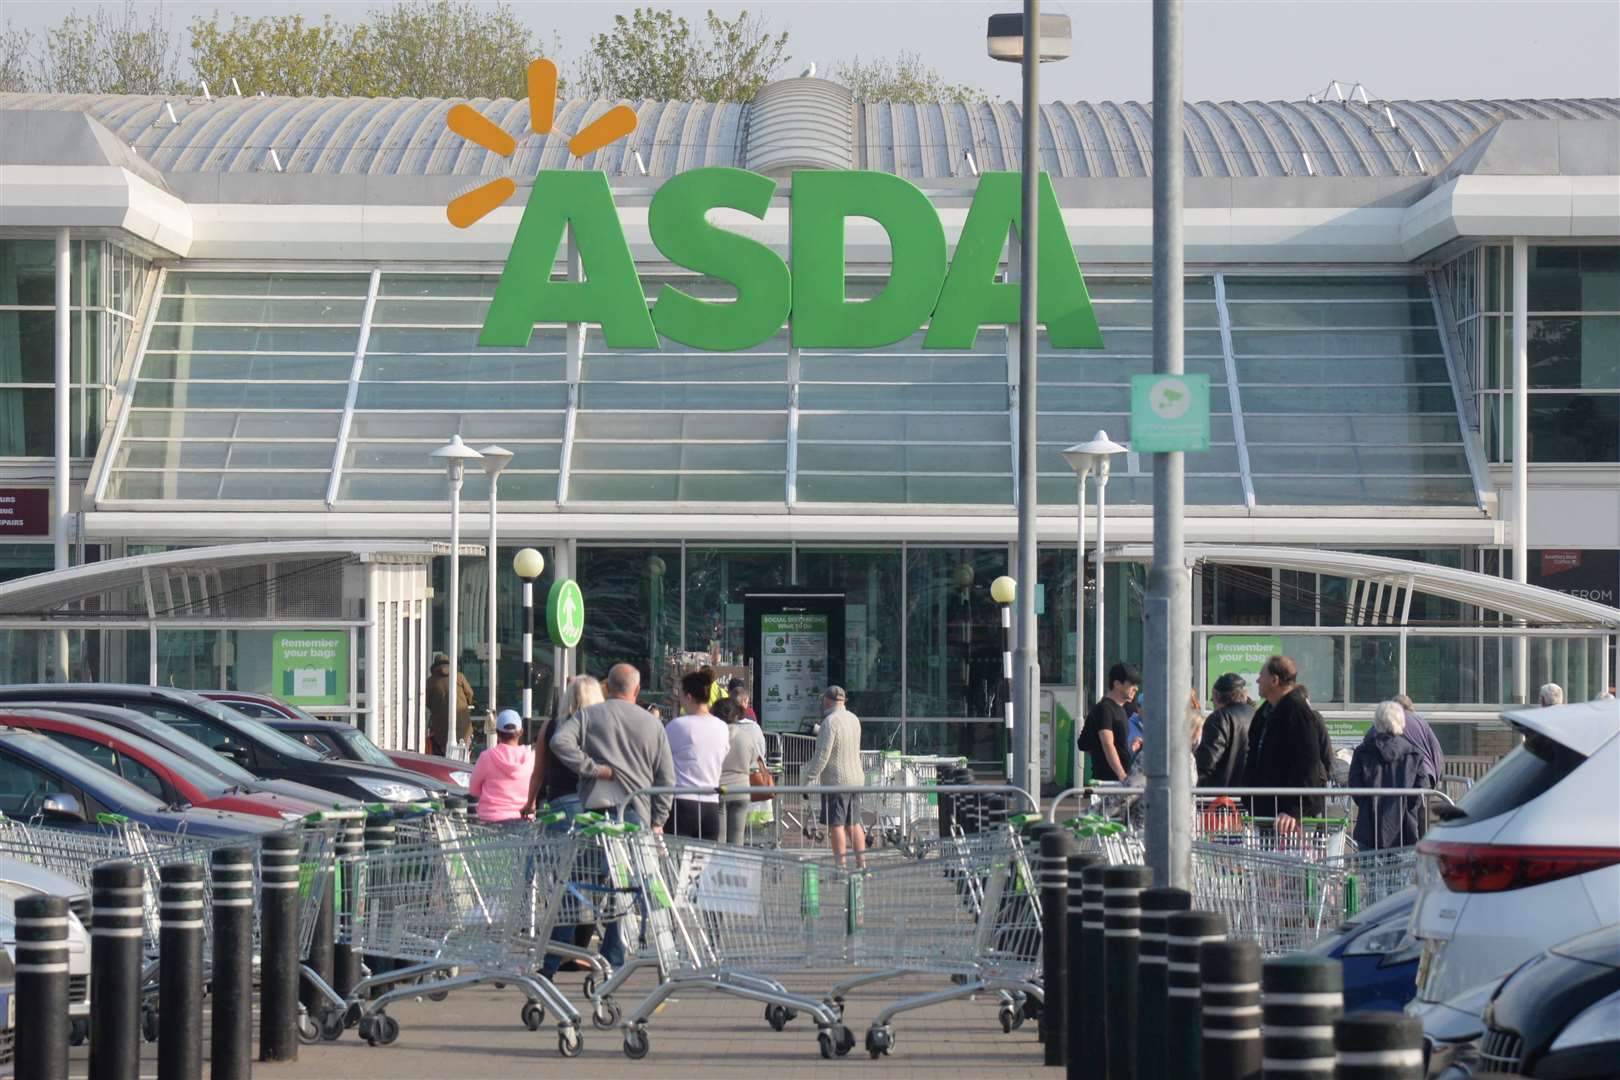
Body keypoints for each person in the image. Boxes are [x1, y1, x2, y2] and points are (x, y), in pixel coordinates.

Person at [529, 675, 604, 978]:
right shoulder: (598, 728)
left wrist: (530, 802)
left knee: (563, 883)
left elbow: (538, 771)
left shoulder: (551, 727)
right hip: (588, 808)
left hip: (557, 808)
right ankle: (576, 950)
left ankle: (559, 954)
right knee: (590, 882)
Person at [550, 663, 675, 834]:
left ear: (607, 687)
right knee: (633, 860)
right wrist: (658, 820)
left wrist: (594, 769)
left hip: (595, 808)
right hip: (636, 809)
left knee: (593, 858)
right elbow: (667, 778)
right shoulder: (654, 724)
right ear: (637, 690)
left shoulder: (587, 715)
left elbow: (559, 741)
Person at [1244, 655, 1334, 828]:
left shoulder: (1297, 713)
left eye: (1261, 676)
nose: (1257, 680)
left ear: (1274, 680)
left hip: (1291, 817)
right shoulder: (1265, 712)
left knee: (1292, 855)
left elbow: (1308, 764)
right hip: (1268, 809)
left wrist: (1293, 809)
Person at [1348, 701, 1431, 850]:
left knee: (1370, 870)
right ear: (1401, 721)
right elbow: (1422, 787)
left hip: (1369, 825)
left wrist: (1367, 804)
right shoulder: (1413, 754)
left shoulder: (1363, 751)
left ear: (1377, 721)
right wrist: (1409, 806)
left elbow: (1355, 784)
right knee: (1401, 871)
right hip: (1404, 828)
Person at [664, 668, 730, 840]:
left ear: (689, 697)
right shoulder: (722, 727)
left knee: (677, 860)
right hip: (711, 804)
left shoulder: (678, 725)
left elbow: (662, 759)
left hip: (683, 801)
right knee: (703, 863)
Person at [804, 686, 865, 868]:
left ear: (827, 701)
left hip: (836, 781)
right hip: (856, 779)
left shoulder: (829, 722)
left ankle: (841, 867)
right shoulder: (854, 719)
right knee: (853, 824)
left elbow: (822, 755)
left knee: (836, 825)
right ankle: (862, 866)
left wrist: (808, 779)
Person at [717, 694, 767, 844]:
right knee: (737, 838)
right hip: (741, 789)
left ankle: (718, 866)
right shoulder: (746, 737)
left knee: (719, 838)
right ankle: (736, 867)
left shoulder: (714, 735)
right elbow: (754, 759)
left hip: (719, 789)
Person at [468, 709, 533, 824]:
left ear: (497, 733)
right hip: (524, 820)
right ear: (521, 732)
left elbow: (473, 790)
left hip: (491, 820)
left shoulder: (486, 757)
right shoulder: (530, 758)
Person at [1079, 663, 1140, 783]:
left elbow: (1084, 743)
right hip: (1110, 781)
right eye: (1132, 684)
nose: (1136, 688)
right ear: (1117, 684)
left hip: (1119, 779)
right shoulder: (1104, 709)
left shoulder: (1123, 709)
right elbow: (1108, 744)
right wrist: (1121, 775)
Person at [1196, 673, 1255, 788]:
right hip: (1250, 795)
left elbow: (1208, 761)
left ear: (1216, 695)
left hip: (1222, 797)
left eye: (1212, 699)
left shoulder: (1220, 718)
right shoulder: (1256, 714)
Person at [425, 652, 474, 756]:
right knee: (463, 755)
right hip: (463, 725)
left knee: (442, 756)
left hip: (440, 727)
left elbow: (427, 703)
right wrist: (468, 704)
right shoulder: (459, 677)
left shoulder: (430, 682)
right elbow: (470, 693)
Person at [1392, 693, 1446, 788]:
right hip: (1425, 773)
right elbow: (1436, 751)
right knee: (1421, 802)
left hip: (1402, 775)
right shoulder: (1422, 722)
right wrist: (1435, 777)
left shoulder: (1393, 720)